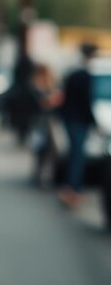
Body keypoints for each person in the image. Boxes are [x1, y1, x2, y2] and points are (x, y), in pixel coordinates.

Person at [58, 43, 97, 207]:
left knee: (75, 154)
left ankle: (70, 189)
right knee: (77, 157)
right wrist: (94, 121)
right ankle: (73, 190)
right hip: (79, 120)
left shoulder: (73, 72)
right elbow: (86, 101)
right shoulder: (84, 75)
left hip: (70, 119)